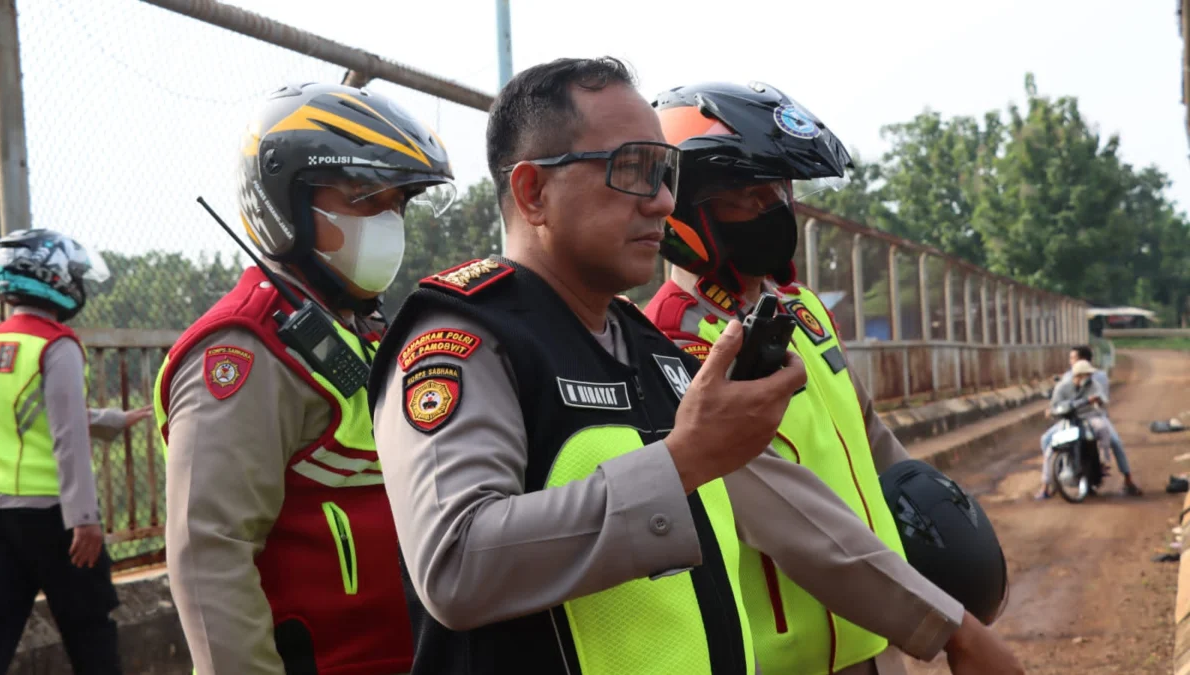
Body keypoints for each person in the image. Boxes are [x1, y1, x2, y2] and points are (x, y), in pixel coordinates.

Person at [368, 56, 1024, 675]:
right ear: (533, 189)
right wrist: (682, 462)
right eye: (632, 170)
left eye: (666, 175)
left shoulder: (648, 352)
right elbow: (454, 565)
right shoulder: (466, 335)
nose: (659, 202)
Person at [643, 79, 1009, 674]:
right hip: (790, 662)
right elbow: (796, 527)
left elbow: (871, 438)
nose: (775, 210)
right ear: (685, 209)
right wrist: (948, 627)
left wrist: (947, 539)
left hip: (878, 644)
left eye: (778, 190)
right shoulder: (674, 344)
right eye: (747, 196)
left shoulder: (802, 311)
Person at [155, 82, 457, 675]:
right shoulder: (247, 348)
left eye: (397, 204)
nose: (387, 222)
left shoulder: (362, 326)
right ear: (285, 202)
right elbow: (211, 549)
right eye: (364, 199)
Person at [0, 228, 152, 674]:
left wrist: (113, 420)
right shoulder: (55, 344)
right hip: (55, 518)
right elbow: (66, 436)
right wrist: (85, 519)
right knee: (90, 635)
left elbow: (32, 415)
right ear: (52, 277)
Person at [1037, 346, 1140, 499]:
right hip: (1071, 417)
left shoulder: (1098, 377)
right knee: (1046, 439)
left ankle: (1127, 479)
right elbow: (1058, 400)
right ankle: (1049, 483)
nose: (1070, 362)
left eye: (1073, 358)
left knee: (1115, 441)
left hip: (1094, 415)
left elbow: (1100, 398)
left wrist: (1090, 401)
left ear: (1082, 361)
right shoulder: (1067, 378)